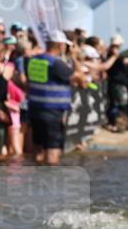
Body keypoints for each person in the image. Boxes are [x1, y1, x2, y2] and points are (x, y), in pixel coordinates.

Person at [25, 29, 85, 165]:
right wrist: (74, 57)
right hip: (52, 113)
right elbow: (82, 81)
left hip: (35, 109)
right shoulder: (56, 64)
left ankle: (37, 179)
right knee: (53, 151)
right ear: (61, 45)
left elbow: (28, 84)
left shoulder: (33, 60)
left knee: (38, 149)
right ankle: (51, 181)